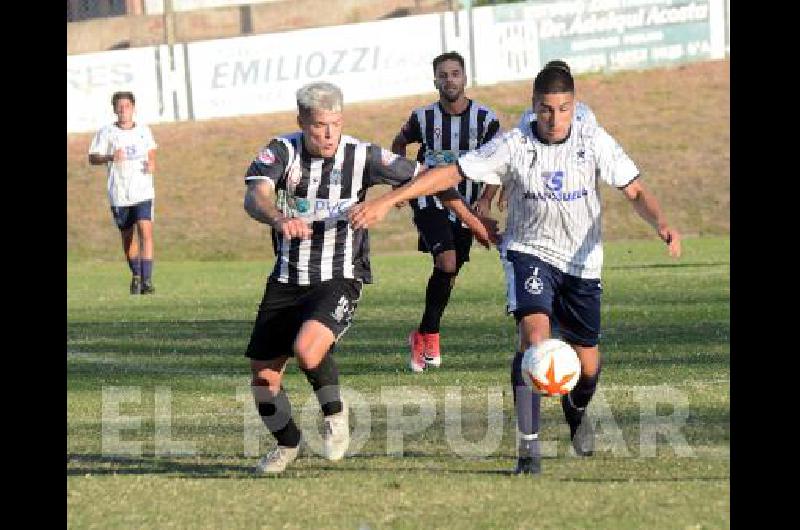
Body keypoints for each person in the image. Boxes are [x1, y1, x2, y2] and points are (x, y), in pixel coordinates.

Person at [349, 62, 681, 475]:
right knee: (534, 338)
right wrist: (385, 200)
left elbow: (634, 190)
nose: (554, 118)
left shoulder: (593, 139)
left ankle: (576, 412)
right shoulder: (514, 144)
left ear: (574, 107)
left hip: (582, 262)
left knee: (589, 364)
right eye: (545, 109)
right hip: (529, 251)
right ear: (534, 106)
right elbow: (449, 173)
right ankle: (529, 448)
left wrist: (660, 222)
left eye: (562, 109)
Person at [242, 81, 495, 474]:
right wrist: (278, 216)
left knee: (309, 350)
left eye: (335, 124)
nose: (328, 134)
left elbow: (440, 177)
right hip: (287, 277)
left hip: (339, 276)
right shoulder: (281, 151)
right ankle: (287, 444)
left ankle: (335, 414)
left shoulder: (362, 156)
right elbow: (254, 195)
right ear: (301, 122)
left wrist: (471, 222)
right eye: (318, 126)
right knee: (263, 380)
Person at [391, 51, 502, 373]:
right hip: (429, 200)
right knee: (447, 260)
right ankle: (432, 335)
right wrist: (402, 181)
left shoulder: (485, 118)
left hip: (465, 205)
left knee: (450, 272)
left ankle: (424, 333)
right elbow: (398, 145)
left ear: (465, 78)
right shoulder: (422, 117)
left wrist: (485, 200)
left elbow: (500, 160)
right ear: (435, 80)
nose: (449, 79)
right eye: (443, 74)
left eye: (455, 73)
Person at [475, 60, 596, 215]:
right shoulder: (530, 115)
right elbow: (517, 153)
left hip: (572, 183)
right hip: (540, 184)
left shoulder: (585, 114)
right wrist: (505, 189)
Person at [88, 91, 158, 295]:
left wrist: (152, 161)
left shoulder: (144, 130)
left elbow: (151, 149)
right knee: (128, 239)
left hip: (143, 189)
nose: (123, 110)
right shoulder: (106, 132)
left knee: (146, 230)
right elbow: (92, 157)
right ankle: (136, 275)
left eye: (127, 106)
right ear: (114, 110)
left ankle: (147, 280)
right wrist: (110, 156)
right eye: (119, 107)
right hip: (119, 193)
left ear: (133, 108)